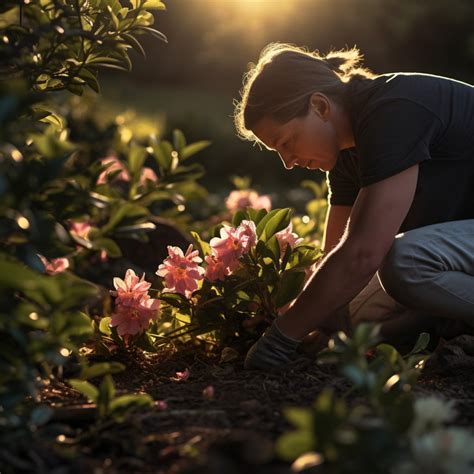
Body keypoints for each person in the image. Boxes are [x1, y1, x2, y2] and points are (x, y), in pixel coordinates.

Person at [232, 42, 474, 370]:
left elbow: (362, 254)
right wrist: (299, 315)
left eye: (286, 142)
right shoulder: (347, 151)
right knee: (353, 313)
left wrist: (279, 340)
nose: (287, 162)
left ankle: (452, 323)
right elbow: (336, 255)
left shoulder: (393, 109)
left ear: (319, 106)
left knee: (406, 264)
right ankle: (450, 322)